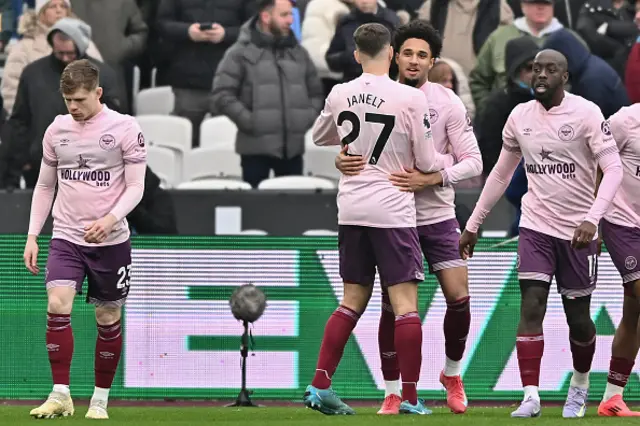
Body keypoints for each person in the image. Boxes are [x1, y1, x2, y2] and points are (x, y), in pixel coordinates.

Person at [459, 49, 623, 418]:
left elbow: (613, 170)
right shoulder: (519, 117)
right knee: (531, 303)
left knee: (578, 317)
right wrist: (473, 223)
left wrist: (593, 219)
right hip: (535, 226)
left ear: (565, 77)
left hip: (579, 232)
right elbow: (501, 174)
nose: (541, 75)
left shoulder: (586, 114)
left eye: (551, 69)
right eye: (536, 68)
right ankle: (530, 395)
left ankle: (579, 387)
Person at [303, 22, 454, 416]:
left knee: (352, 299)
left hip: (351, 206)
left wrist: (346, 151)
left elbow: (320, 136)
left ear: (356, 55)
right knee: (405, 305)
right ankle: (409, 397)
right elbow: (423, 161)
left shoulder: (340, 92)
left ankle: (319, 385)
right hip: (393, 207)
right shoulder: (408, 98)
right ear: (391, 54)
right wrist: (446, 163)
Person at [334, 19, 482, 415]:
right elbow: (349, 145)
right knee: (392, 307)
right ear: (394, 55)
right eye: (408, 53)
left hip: (435, 214)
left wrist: (435, 175)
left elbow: (474, 162)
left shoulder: (447, 102)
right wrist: (341, 158)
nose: (414, 61)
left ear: (433, 61)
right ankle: (394, 390)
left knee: (459, 296)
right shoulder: (377, 97)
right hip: (393, 217)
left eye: (423, 55)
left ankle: (451, 373)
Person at [24, 59, 147, 420]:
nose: (73, 107)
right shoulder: (56, 130)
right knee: (57, 304)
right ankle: (61, 393)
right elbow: (45, 185)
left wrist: (111, 218)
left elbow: (136, 186)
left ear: (98, 92)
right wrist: (33, 235)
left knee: (107, 316)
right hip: (66, 235)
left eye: (79, 99)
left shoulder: (125, 128)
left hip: (111, 240)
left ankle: (99, 399)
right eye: (68, 100)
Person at [211, 0, 323, 188]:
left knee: (292, 212)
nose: (290, 20)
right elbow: (222, 94)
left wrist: (304, 119)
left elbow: (316, 93)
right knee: (256, 214)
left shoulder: (299, 53)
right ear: (265, 16)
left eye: (291, 15)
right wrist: (251, 121)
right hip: (255, 152)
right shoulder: (239, 53)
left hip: (293, 151)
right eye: (284, 15)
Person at [0, 17, 121, 190]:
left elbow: (114, 123)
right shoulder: (33, 74)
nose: (64, 58)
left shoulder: (103, 76)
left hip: (88, 169)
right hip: (40, 166)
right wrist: (21, 161)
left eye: (70, 53)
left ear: (81, 47)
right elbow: (20, 122)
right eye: (59, 53)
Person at [597, 103, 640, 417]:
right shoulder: (626, 120)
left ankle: (612, 398)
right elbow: (597, 163)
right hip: (621, 221)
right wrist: (592, 217)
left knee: (634, 312)